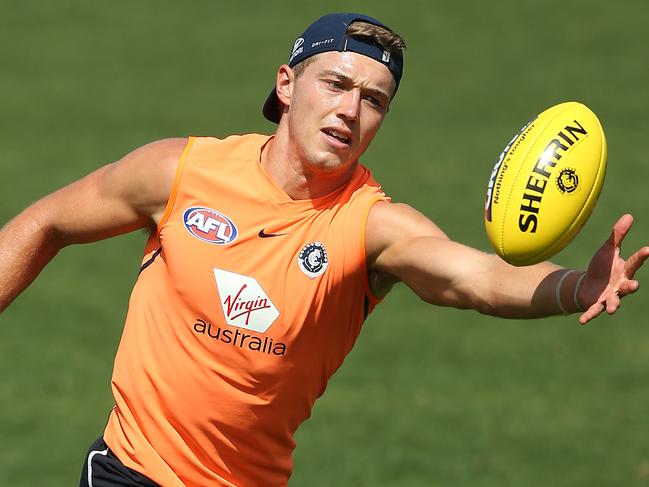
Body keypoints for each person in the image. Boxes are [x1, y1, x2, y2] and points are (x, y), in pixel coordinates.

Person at [0, 12, 647, 487]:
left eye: (373, 101)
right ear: (286, 84)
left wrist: (573, 288)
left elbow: (471, 277)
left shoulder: (369, 225)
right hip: (131, 472)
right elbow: (46, 221)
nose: (349, 110)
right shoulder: (179, 172)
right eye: (335, 84)